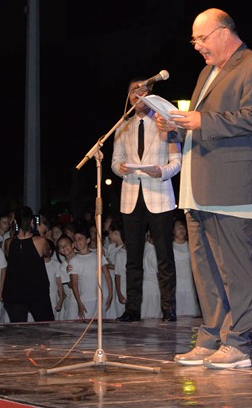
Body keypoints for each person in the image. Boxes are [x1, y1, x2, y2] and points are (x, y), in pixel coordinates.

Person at [158, 8, 252, 370]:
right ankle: (210, 337)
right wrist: (178, 125)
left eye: (202, 38)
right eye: (194, 40)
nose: (197, 46)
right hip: (199, 185)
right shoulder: (207, 72)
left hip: (235, 185)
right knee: (205, 267)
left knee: (234, 267)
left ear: (224, 32)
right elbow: (203, 124)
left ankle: (237, 343)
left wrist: (201, 120)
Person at [112, 76, 182, 324]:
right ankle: (132, 309)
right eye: (134, 90)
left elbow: (177, 162)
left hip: (159, 195)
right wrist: (121, 168)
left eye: (143, 90)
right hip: (131, 195)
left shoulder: (164, 122)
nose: (138, 94)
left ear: (150, 94)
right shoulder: (123, 126)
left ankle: (168, 309)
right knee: (133, 257)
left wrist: (160, 171)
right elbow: (115, 162)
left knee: (164, 255)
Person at [2, 207, 54, 323]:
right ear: (31, 222)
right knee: (45, 325)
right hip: (36, 290)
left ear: (15, 222)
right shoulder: (40, 241)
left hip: (14, 291)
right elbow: (47, 253)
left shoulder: (8, 242)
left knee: (19, 328)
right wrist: (41, 233)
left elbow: (9, 257)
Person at [172, 218, 200, 317]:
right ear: (173, 230)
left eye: (183, 227)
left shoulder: (191, 246)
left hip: (189, 285)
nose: (181, 229)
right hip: (176, 286)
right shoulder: (170, 247)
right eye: (178, 227)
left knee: (190, 315)